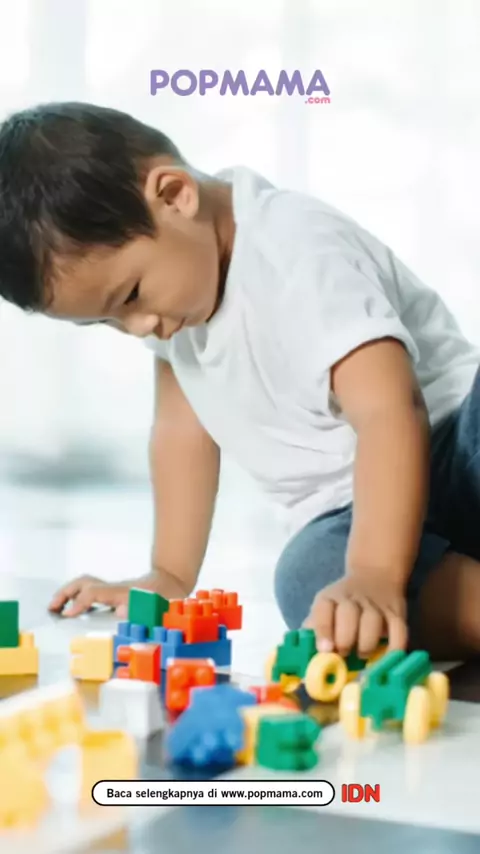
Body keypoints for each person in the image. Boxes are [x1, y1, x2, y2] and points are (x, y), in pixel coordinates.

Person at [0, 102, 479, 662]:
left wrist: (375, 571)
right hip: (347, 518)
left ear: (175, 195)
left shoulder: (293, 247)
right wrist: (168, 576)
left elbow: (389, 410)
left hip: (452, 452)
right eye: (107, 321)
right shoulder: (174, 308)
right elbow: (181, 438)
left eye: (130, 296)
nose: (138, 327)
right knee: (306, 577)